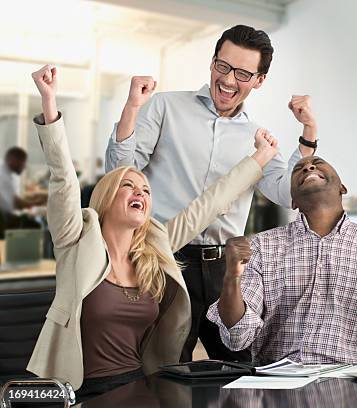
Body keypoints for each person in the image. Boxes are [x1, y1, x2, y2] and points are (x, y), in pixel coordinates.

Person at [26, 65, 279, 398]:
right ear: (105, 196)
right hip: (81, 391)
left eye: (145, 190)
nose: (140, 194)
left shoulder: (153, 249)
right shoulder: (76, 238)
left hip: (141, 386)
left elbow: (206, 205)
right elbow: (63, 178)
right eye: (128, 186)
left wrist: (259, 158)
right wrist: (49, 102)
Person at [105, 24, 319, 363]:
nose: (229, 80)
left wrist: (308, 134)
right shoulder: (165, 107)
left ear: (259, 80)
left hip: (226, 267)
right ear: (212, 61)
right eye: (223, 66)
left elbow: (285, 193)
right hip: (164, 258)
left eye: (243, 73)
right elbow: (119, 171)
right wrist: (131, 108)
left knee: (240, 366)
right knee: (163, 368)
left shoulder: (256, 138)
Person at [207, 156, 357, 365]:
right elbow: (237, 337)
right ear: (293, 201)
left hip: (353, 379)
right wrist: (231, 277)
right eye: (299, 168)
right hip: (278, 382)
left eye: (318, 162)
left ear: (342, 188)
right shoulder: (261, 246)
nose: (308, 166)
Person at [0, 147, 46, 213]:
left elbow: (14, 199)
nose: (25, 166)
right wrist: (38, 202)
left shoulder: (6, 171)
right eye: (23, 162)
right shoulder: (3, 176)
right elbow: (16, 204)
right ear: (14, 160)